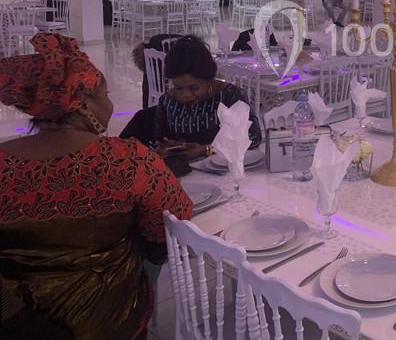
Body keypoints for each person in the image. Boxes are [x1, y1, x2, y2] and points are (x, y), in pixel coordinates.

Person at [0, 33, 192, 339]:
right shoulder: (126, 159)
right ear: (84, 102)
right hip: (109, 321)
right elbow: (172, 223)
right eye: (105, 94)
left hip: (17, 324)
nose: (110, 103)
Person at [148, 35, 262, 155]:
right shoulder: (168, 101)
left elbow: (253, 138)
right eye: (178, 88)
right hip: (181, 170)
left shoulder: (229, 96)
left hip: (222, 170)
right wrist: (164, 146)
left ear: (209, 79)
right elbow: (154, 141)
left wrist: (208, 149)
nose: (185, 95)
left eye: (194, 88)